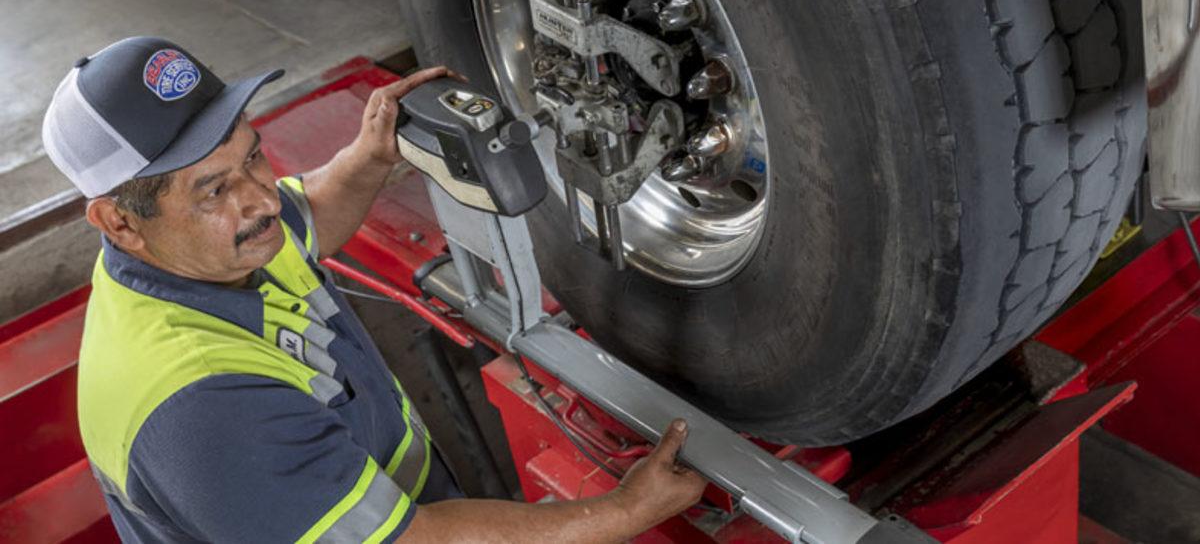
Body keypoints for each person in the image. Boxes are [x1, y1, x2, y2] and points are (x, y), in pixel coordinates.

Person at [42, 37, 707, 543]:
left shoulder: (206, 247)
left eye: (251, 155)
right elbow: (418, 538)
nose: (260, 199)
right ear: (120, 223)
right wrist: (622, 511)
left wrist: (370, 152)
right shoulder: (197, 407)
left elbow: (313, 213)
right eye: (213, 188)